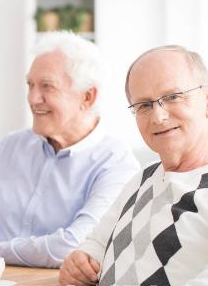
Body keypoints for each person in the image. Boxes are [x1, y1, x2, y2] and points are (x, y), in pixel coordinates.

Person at [0, 31, 140, 267]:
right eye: (30, 85)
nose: (33, 98)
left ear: (87, 96)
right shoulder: (13, 146)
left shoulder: (117, 164)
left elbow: (74, 245)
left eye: (47, 86)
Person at [59, 45, 208, 285]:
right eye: (144, 105)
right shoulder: (142, 179)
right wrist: (81, 259)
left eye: (172, 97)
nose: (158, 116)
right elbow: (97, 243)